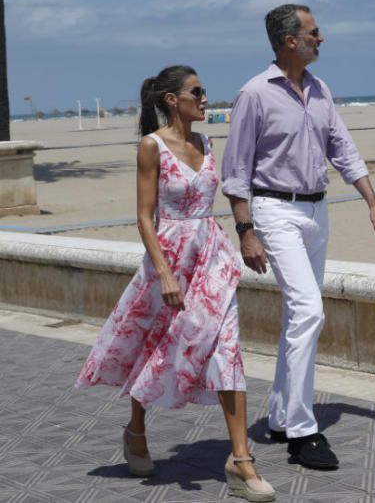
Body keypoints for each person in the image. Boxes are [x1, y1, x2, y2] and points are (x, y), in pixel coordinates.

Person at [76, 65, 275, 502]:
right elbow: (144, 216)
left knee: (228, 350)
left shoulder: (207, 142)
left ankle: (240, 460)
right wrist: (164, 271)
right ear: (172, 99)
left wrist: (247, 236)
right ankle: (136, 430)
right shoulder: (151, 146)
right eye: (197, 92)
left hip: (212, 257)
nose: (205, 99)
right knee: (155, 345)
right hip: (169, 258)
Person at [222, 4, 375, 471]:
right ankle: (302, 431)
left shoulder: (320, 90)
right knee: (308, 311)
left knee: (299, 315)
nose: (322, 39)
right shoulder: (254, 94)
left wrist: (372, 201)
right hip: (274, 210)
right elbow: (235, 172)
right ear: (290, 40)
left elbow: (343, 148)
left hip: (317, 208)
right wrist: (245, 230)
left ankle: (279, 416)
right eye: (315, 32)